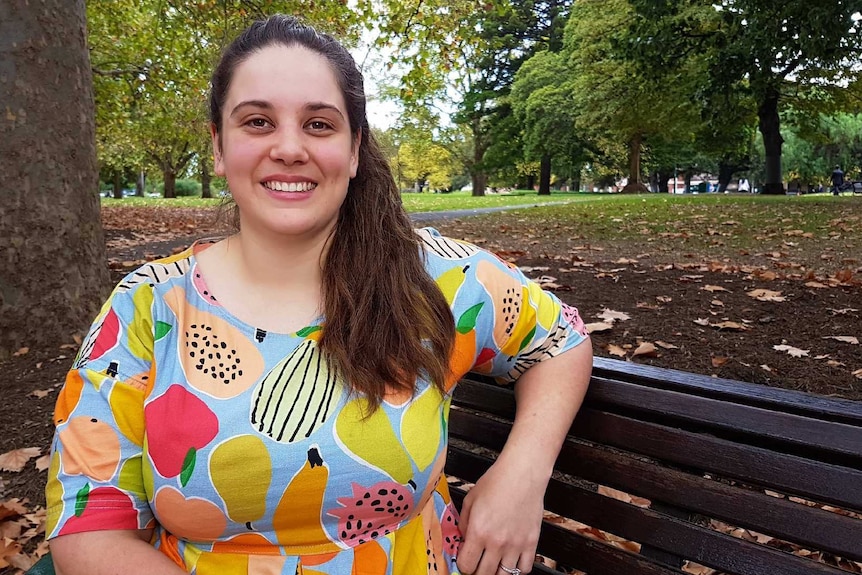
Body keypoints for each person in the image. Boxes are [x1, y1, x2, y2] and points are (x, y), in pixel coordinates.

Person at [45, 14, 592, 575]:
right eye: (257, 121)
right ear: (218, 147)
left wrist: (522, 474)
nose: (288, 147)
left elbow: (559, 341)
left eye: (319, 125)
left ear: (354, 150)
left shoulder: (438, 276)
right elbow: (89, 529)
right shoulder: (147, 305)